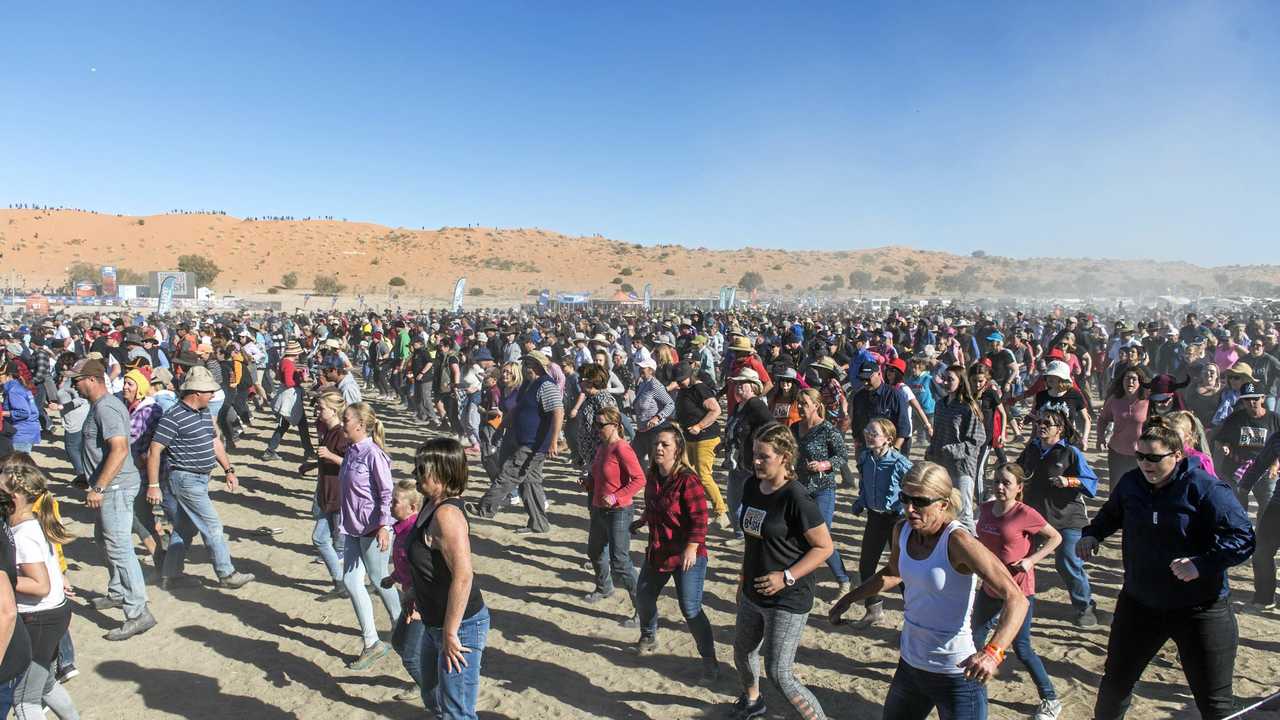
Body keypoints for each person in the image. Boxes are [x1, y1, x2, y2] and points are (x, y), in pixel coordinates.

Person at [1080, 424, 1255, 720]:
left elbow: (1243, 537)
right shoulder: (1131, 483)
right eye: (1140, 456)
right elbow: (1112, 514)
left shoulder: (1206, 488)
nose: (1146, 464)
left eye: (1154, 458)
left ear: (1177, 455)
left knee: (1215, 703)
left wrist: (1201, 564)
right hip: (1140, 604)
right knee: (1115, 686)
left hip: (1200, 609)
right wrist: (1093, 534)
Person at [830, 461, 1029, 720]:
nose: (910, 508)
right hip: (911, 668)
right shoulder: (902, 530)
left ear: (943, 504)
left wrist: (992, 653)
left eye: (920, 501)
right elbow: (893, 572)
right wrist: (850, 598)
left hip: (957, 675)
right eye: (905, 498)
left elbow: (1017, 598)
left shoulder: (959, 542)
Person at [731, 423, 832, 720]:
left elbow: (824, 548)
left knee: (779, 672)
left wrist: (786, 576)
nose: (756, 462)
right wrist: (742, 579)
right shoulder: (752, 486)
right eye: (754, 455)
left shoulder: (797, 498)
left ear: (785, 457)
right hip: (753, 591)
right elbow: (753, 541)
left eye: (764, 457)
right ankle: (753, 702)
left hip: (787, 597)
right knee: (743, 651)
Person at [144, 365, 254, 591]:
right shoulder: (173, 416)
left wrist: (229, 469)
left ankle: (170, 575)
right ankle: (226, 573)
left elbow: (214, 442)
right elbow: (154, 450)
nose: (213, 395)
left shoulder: (204, 412)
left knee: (185, 528)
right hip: (185, 479)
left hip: (200, 479)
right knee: (212, 525)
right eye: (209, 392)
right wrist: (154, 485)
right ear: (196, 393)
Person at [70, 358, 155, 641]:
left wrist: (100, 488)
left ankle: (138, 612)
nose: (73, 385)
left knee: (119, 548)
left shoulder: (106, 408)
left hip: (115, 489)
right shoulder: (103, 405)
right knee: (103, 541)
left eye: (76, 380)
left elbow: (118, 450)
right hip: (110, 487)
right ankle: (118, 592)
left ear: (92, 380)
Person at [972, 464, 1063, 720]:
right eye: (997, 481)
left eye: (1006, 483)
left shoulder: (1025, 513)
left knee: (1022, 649)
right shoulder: (986, 509)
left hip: (1018, 593)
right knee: (974, 641)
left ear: (1019, 488)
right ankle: (969, 692)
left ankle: (1050, 699)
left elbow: (1055, 538)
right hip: (990, 588)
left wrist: (1031, 560)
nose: (1000, 486)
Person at [408, 438, 490, 719]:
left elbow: (464, 577)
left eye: (421, 469)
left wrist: (451, 632)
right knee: (431, 691)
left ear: (442, 473)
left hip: (460, 625)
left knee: (458, 711)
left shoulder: (448, 516)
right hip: (435, 622)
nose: (414, 474)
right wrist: (413, 596)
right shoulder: (429, 504)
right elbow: (427, 565)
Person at [630, 424, 719, 677]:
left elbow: (700, 519)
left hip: (687, 555)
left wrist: (691, 548)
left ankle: (709, 659)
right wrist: (642, 520)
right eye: (656, 443)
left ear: (677, 450)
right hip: (659, 550)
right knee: (644, 597)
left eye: (665, 444)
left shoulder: (687, 480)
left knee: (690, 609)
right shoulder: (654, 475)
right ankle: (648, 635)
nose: (658, 448)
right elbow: (654, 505)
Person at [0, 464, 79, 720]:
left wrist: (6, 580)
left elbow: (39, 585)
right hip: (52, 615)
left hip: (39, 619)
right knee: (44, 684)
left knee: (25, 701)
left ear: (14, 498)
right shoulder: (28, 523)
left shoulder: (23, 534)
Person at [1015, 408, 1099, 627]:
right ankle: (1013, 602)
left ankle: (1085, 606)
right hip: (1036, 518)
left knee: (1067, 561)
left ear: (1059, 429)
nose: (1041, 426)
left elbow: (1091, 483)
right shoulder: (1032, 448)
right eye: (1040, 422)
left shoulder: (1070, 452)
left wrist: (1068, 481)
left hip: (1068, 518)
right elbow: (1017, 471)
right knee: (1018, 557)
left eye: (1048, 423)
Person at [336, 402, 401, 670]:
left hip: (374, 529)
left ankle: (403, 624)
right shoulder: (351, 451)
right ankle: (372, 642)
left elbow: (387, 493)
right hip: (352, 527)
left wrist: (384, 525)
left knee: (379, 579)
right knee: (351, 581)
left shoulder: (374, 455)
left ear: (360, 426)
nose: (342, 424)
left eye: (346, 420)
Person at [467, 352, 563, 535]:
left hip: (534, 444)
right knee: (530, 483)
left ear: (536, 365)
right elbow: (516, 409)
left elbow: (558, 412)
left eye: (528, 363)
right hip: (523, 440)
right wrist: (502, 426)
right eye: (524, 363)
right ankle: (539, 523)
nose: (525, 367)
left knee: (509, 475)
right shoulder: (528, 384)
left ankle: (485, 508)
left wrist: (553, 442)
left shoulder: (546, 385)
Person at [582, 406, 644, 625]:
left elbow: (639, 479)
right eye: (595, 424)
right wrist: (589, 482)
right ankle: (604, 587)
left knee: (621, 561)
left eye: (601, 425)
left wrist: (617, 497)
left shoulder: (622, 449)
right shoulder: (602, 448)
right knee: (595, 551)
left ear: (616, 426)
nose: (597, 428)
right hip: (599, 508)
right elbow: (601, 477)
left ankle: (642, 610)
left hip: (619, 511)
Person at [849, 418, 912, 628]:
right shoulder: (866, 457)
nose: (868, 435)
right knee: (866, 566)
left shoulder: (900, 462)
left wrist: (908, 507)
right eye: (867, 430)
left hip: (896, 520)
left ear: (888, 439)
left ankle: (913, 618)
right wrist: (860, 501)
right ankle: (873, 610)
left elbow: (915, 484)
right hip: (874, 518)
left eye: (874, 433)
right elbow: (864, 485)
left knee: (902, 569)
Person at [793, 388, 850, 594]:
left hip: (823, 489)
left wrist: (824, 465)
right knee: (800, 535)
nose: (800, 407)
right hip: (800, 490)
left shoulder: (828, 430)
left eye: (804, 404)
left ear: (817, 406)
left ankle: (843, 580)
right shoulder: (794, 428)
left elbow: (843, 456)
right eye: (798, 403)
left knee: (821, 537)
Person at [926, 365, 987, 531]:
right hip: (941, 466)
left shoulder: (969, 407)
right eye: (944, 378)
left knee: (964, 514)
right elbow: (937, 434)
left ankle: (974, 551)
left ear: (960, 382)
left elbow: (977, 441)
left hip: (962, 468)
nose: (945, 382)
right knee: (944, 511)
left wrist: (950, 450)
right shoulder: (940, 405)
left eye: (950, 379)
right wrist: (931, 451)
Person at [673, 362, 728, 530]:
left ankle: (721, 513)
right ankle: (692, 508)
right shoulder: (683, 390)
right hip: (689, 438)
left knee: (704, 475)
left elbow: (715, 410)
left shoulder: (699, 389)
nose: (680, 382)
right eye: (678, 380)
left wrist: (699, 426)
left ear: (690, 376)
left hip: (706, 437)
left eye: (682, 379)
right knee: (686, 473)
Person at [384, 479, 426, 702]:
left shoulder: (415, 535)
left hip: (421, 602)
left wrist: (418, 605)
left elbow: (424, 573)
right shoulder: (401, 530)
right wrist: (393, 578)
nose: (390, 505)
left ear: (412, 508)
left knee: (410, 656)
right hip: (411, 599)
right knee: (399, 643)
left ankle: (436, 698)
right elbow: (406, 566)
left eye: (395, 502)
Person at [723, 368, 774, 541]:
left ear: (753, 386)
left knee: (752, 502)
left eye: (741, 383)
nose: (737, 387)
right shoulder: (739, 406)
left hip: (750, 464)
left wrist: (759, 448)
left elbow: (772, 427)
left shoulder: (756, 404)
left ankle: (753, 536)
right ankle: (741, 534)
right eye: (736, 383)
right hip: (736, 462)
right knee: (733, 501)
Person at [1214, 382, 1279, 513]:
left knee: (1268, 504)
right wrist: (1225, 446)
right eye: (1246, 399)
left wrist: (1275, 464)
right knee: (1237, 506)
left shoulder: (1275, 419)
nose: (1251, 402)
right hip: (1238, 467)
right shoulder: (1235, 418)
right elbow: (1221, 439)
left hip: (1265, 469)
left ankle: (1261, 532)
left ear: (1263, 398)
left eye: (1255, 398)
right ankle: (1242, 530)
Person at [311, 391, 351, 601]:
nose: (317, 411)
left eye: (321, 408)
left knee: (328, 539)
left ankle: (345, 582)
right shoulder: (328, 430)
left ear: (333, 410)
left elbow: (352, 465)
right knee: (320, 539)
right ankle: (340, 582)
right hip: (326, 492)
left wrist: (329, 456)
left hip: (338, 494)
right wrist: (311, 464)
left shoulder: (342, 434)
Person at [1097, 366, 1150, 488]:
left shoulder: (1148, 401)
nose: (1130, 382)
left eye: (1133, 379)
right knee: (1116, 489)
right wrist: (1100, 437)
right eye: (1127, 379)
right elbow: (1103, 418)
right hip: (1117, 452)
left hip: (1140, 455)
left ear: (1140, 382)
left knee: (1138, 490)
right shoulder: (1115, 399)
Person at [262, 340, 314, 462]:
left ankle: (270, 451)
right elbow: (289, 382)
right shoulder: (289, 363)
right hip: (290, 397)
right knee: (301, 425)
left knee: (284, 425)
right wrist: (302, 378)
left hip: (287, 395)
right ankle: (309, 452)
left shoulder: (283, 361)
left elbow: (280, 378)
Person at [630, 357, 674, 468]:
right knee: (632, 458)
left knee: (654, 463)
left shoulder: (655, 385)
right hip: (642, 429)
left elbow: (670, 404)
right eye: (640, 368)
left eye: (643, 368)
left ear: (651, 370)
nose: (640, 370)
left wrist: (657, 417)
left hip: (654, 430)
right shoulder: (642, 383)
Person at [0, 362, 40, 454]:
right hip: (28, 430)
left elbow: (24, 412)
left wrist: (2, 413)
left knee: (18, 465)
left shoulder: (13, 391)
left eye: (1, 375)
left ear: (9, 375)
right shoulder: (18, 387)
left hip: (21, 432)